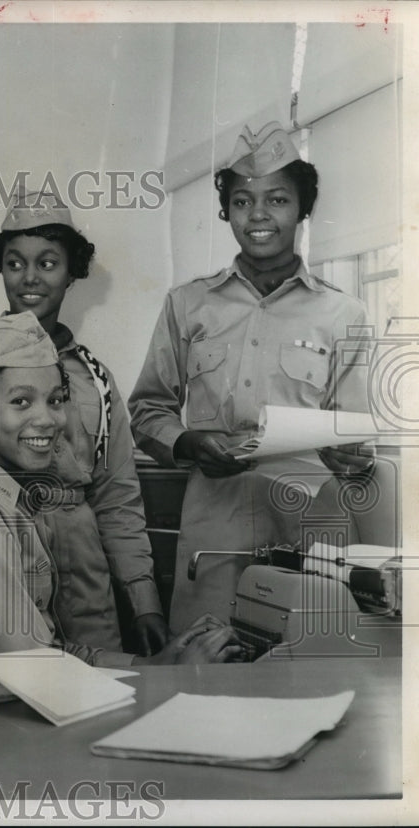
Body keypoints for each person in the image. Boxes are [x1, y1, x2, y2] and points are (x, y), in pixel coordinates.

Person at [128, 122, 375, 632]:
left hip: (311, 525)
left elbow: (355, 438)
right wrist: (189, 441)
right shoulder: (188, 304)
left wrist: (353, 455)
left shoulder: (343, 313)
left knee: (309, 666)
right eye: (242, 202)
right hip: (213, 527)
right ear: (227, 212)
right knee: (205, 661)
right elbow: (147, 410)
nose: (258, 216)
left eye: (278, 200)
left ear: (303, 210)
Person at [0, 313, 242, 666]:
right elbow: (32, 672)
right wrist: (170, 674)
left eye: (55, 400)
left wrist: (154, 665)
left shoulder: (10, 502)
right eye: (21, 401)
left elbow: (50, 650)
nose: (48, 419)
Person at [0, 191, 168, 656]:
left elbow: (117, 497)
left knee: (99, 692)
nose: (29, 278)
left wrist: (145, 603)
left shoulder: (97, 380)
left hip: (86, 572)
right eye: (14, 263)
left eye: (48, 263)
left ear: (72, 274)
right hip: (4, 557)